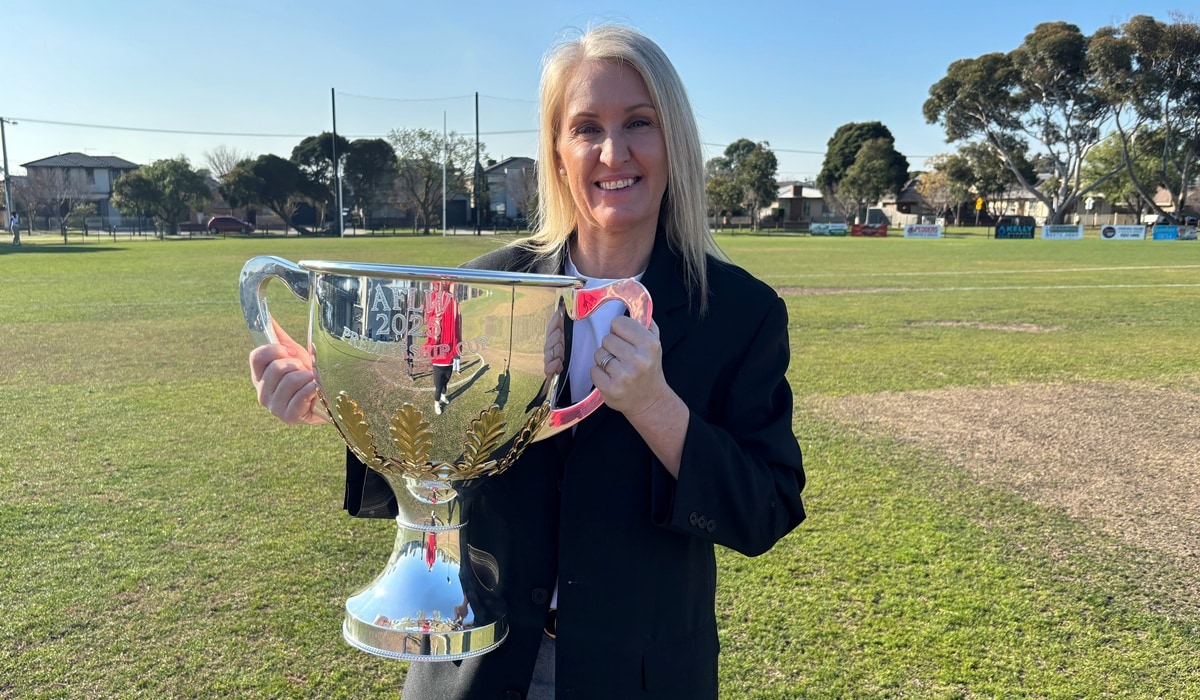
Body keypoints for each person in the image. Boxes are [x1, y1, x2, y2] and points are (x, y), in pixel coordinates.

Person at [250, 24, 804, 700]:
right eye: (586, 128)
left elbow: (765, 510)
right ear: (558, 153)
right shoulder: (479, 286)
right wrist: (341, 399)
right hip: (473, 667)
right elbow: (432, 455)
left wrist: (657, 408)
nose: (613, 152)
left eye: (639, 122)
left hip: (640, 678)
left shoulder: (741, 313)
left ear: (675, 142)